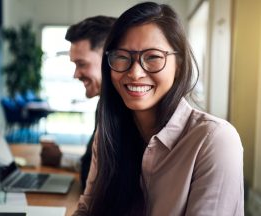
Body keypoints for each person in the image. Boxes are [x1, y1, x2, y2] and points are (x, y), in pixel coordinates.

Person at [73, 2, 244, 216]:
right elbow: (87, 209)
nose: (135, 73)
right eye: (122, 57)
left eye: (153, 57)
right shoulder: (109, 133)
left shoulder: (214, 140)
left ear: (179, 64)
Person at [40, 15, 116, 191]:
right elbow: (96, 168)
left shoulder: (128, 114)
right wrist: (61, 159)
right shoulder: (105, 106)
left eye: (82, 64)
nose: (76, 74)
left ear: (112, 59)